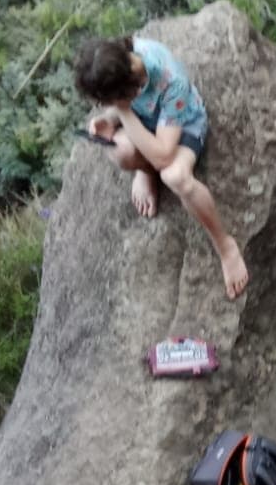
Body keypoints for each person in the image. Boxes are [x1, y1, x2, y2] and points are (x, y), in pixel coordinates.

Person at [73, 33, 249, 300]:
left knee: (176, 176)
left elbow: (165, 155)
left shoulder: (169, 79)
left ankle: (226, 246)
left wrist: (122, 113)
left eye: (105, 101)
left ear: (123, 93)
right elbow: (128, 112)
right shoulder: (123, 65)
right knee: (120, 152)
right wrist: (109, 117)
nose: (101, 106)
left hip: (184, 124)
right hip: (147, 120)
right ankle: (144, 173)